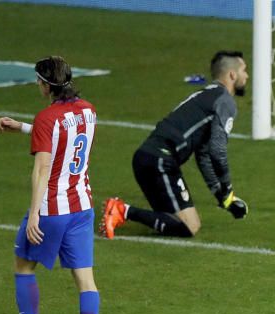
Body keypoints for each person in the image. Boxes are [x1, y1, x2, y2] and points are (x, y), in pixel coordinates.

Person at [0, 56, 101, 314]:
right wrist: (23, 127)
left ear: (45, 84)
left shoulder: (47, 118)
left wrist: (33, 214)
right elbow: (65, 137)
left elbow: (42, 168)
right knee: (86, 280)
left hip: (53, 209)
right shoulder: (88, 110)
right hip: (82, 206)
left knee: (23, 266)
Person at [100, 51, 249, 239]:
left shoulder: (204, 96)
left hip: (147, 158)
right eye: (244, 70)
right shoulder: (225, 101)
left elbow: (203, 155)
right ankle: (122, 211)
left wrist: (223, 198)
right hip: (161, 161)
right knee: (189, 227)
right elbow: (217, 150)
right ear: (232, 75)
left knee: (180, 222)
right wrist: (227, 189)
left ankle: (123, 211)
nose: (247, 76)